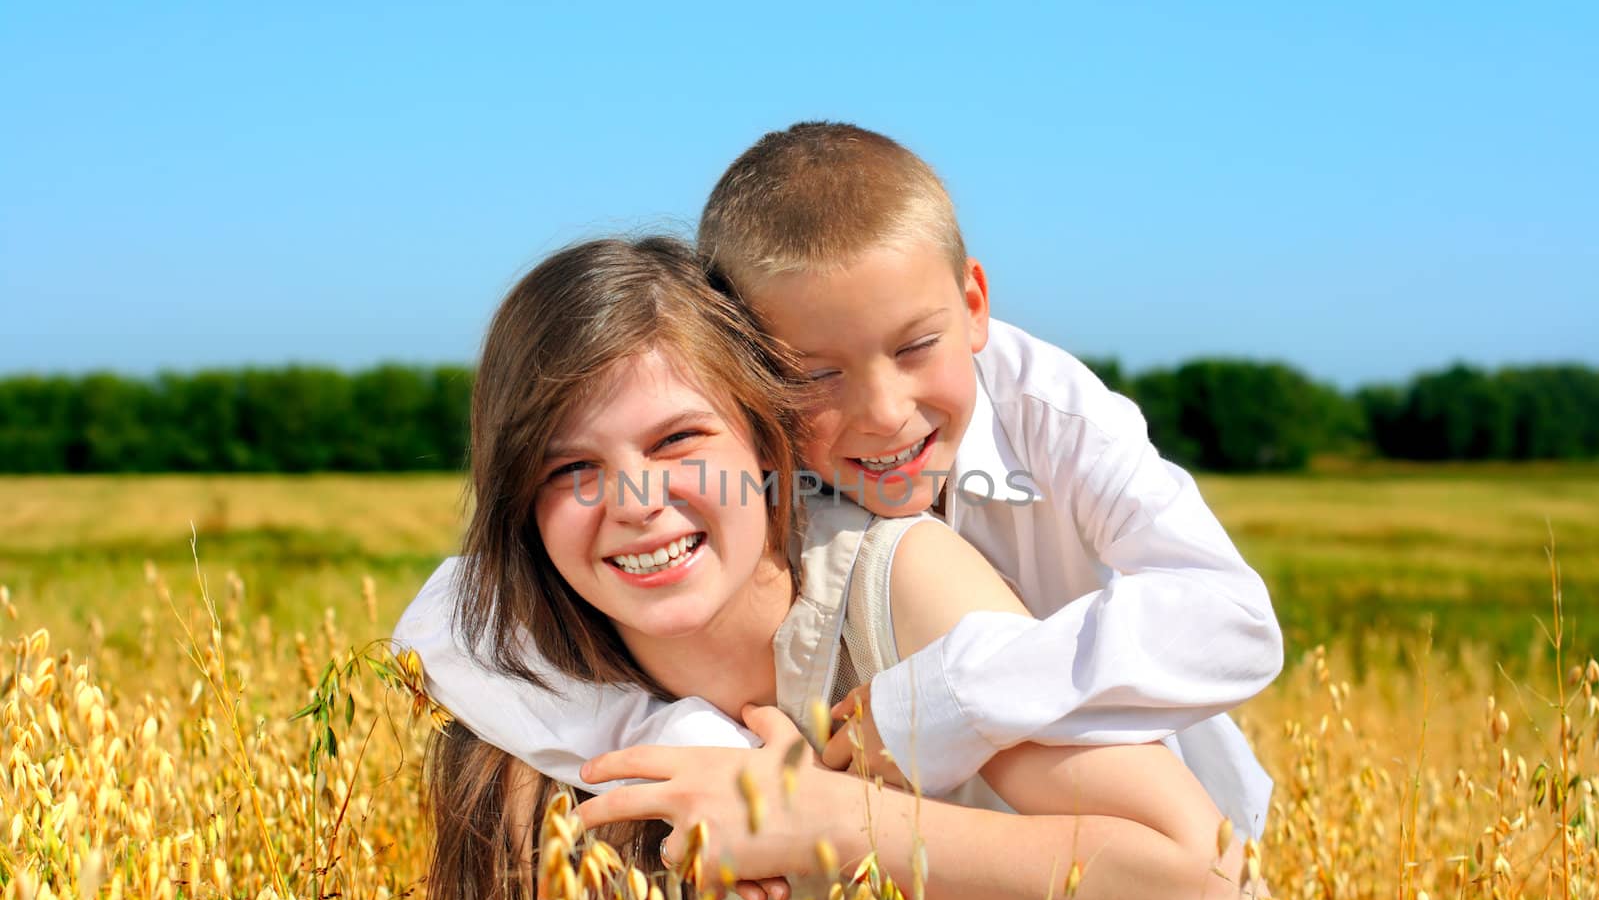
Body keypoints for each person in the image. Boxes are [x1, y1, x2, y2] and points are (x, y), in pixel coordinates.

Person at [420, 237, 1270, 900]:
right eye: (571, 468)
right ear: (521, 506)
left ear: (765, 441)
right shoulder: (527, 703)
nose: (638, 504)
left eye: (679, 440)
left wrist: (829, 820)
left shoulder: (895, 585)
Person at [398, 121, 1282, 843]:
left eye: (914, 346)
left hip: (1146, 825)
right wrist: (690, 739)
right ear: (746, 372)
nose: (886, 413)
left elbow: (1236, 622)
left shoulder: (1060, 417)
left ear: (975, 304)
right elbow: (442, 621)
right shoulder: (756, 468)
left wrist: (951, 695)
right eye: (814, 374)